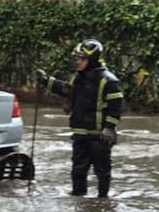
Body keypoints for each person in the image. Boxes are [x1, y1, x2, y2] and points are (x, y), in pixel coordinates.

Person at [36, 38, 123, 198]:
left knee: (102, 172)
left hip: (99, 137)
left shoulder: (108, 80)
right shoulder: (78, 78)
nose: (77, 62)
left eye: (81, 58)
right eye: (76, 58)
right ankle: (78, 199)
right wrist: (46, 81)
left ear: (91, 59)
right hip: (80, 135)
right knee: (78, 171)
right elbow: (66, 90)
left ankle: (103, 201)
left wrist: (110, 128)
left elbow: (115, 107)